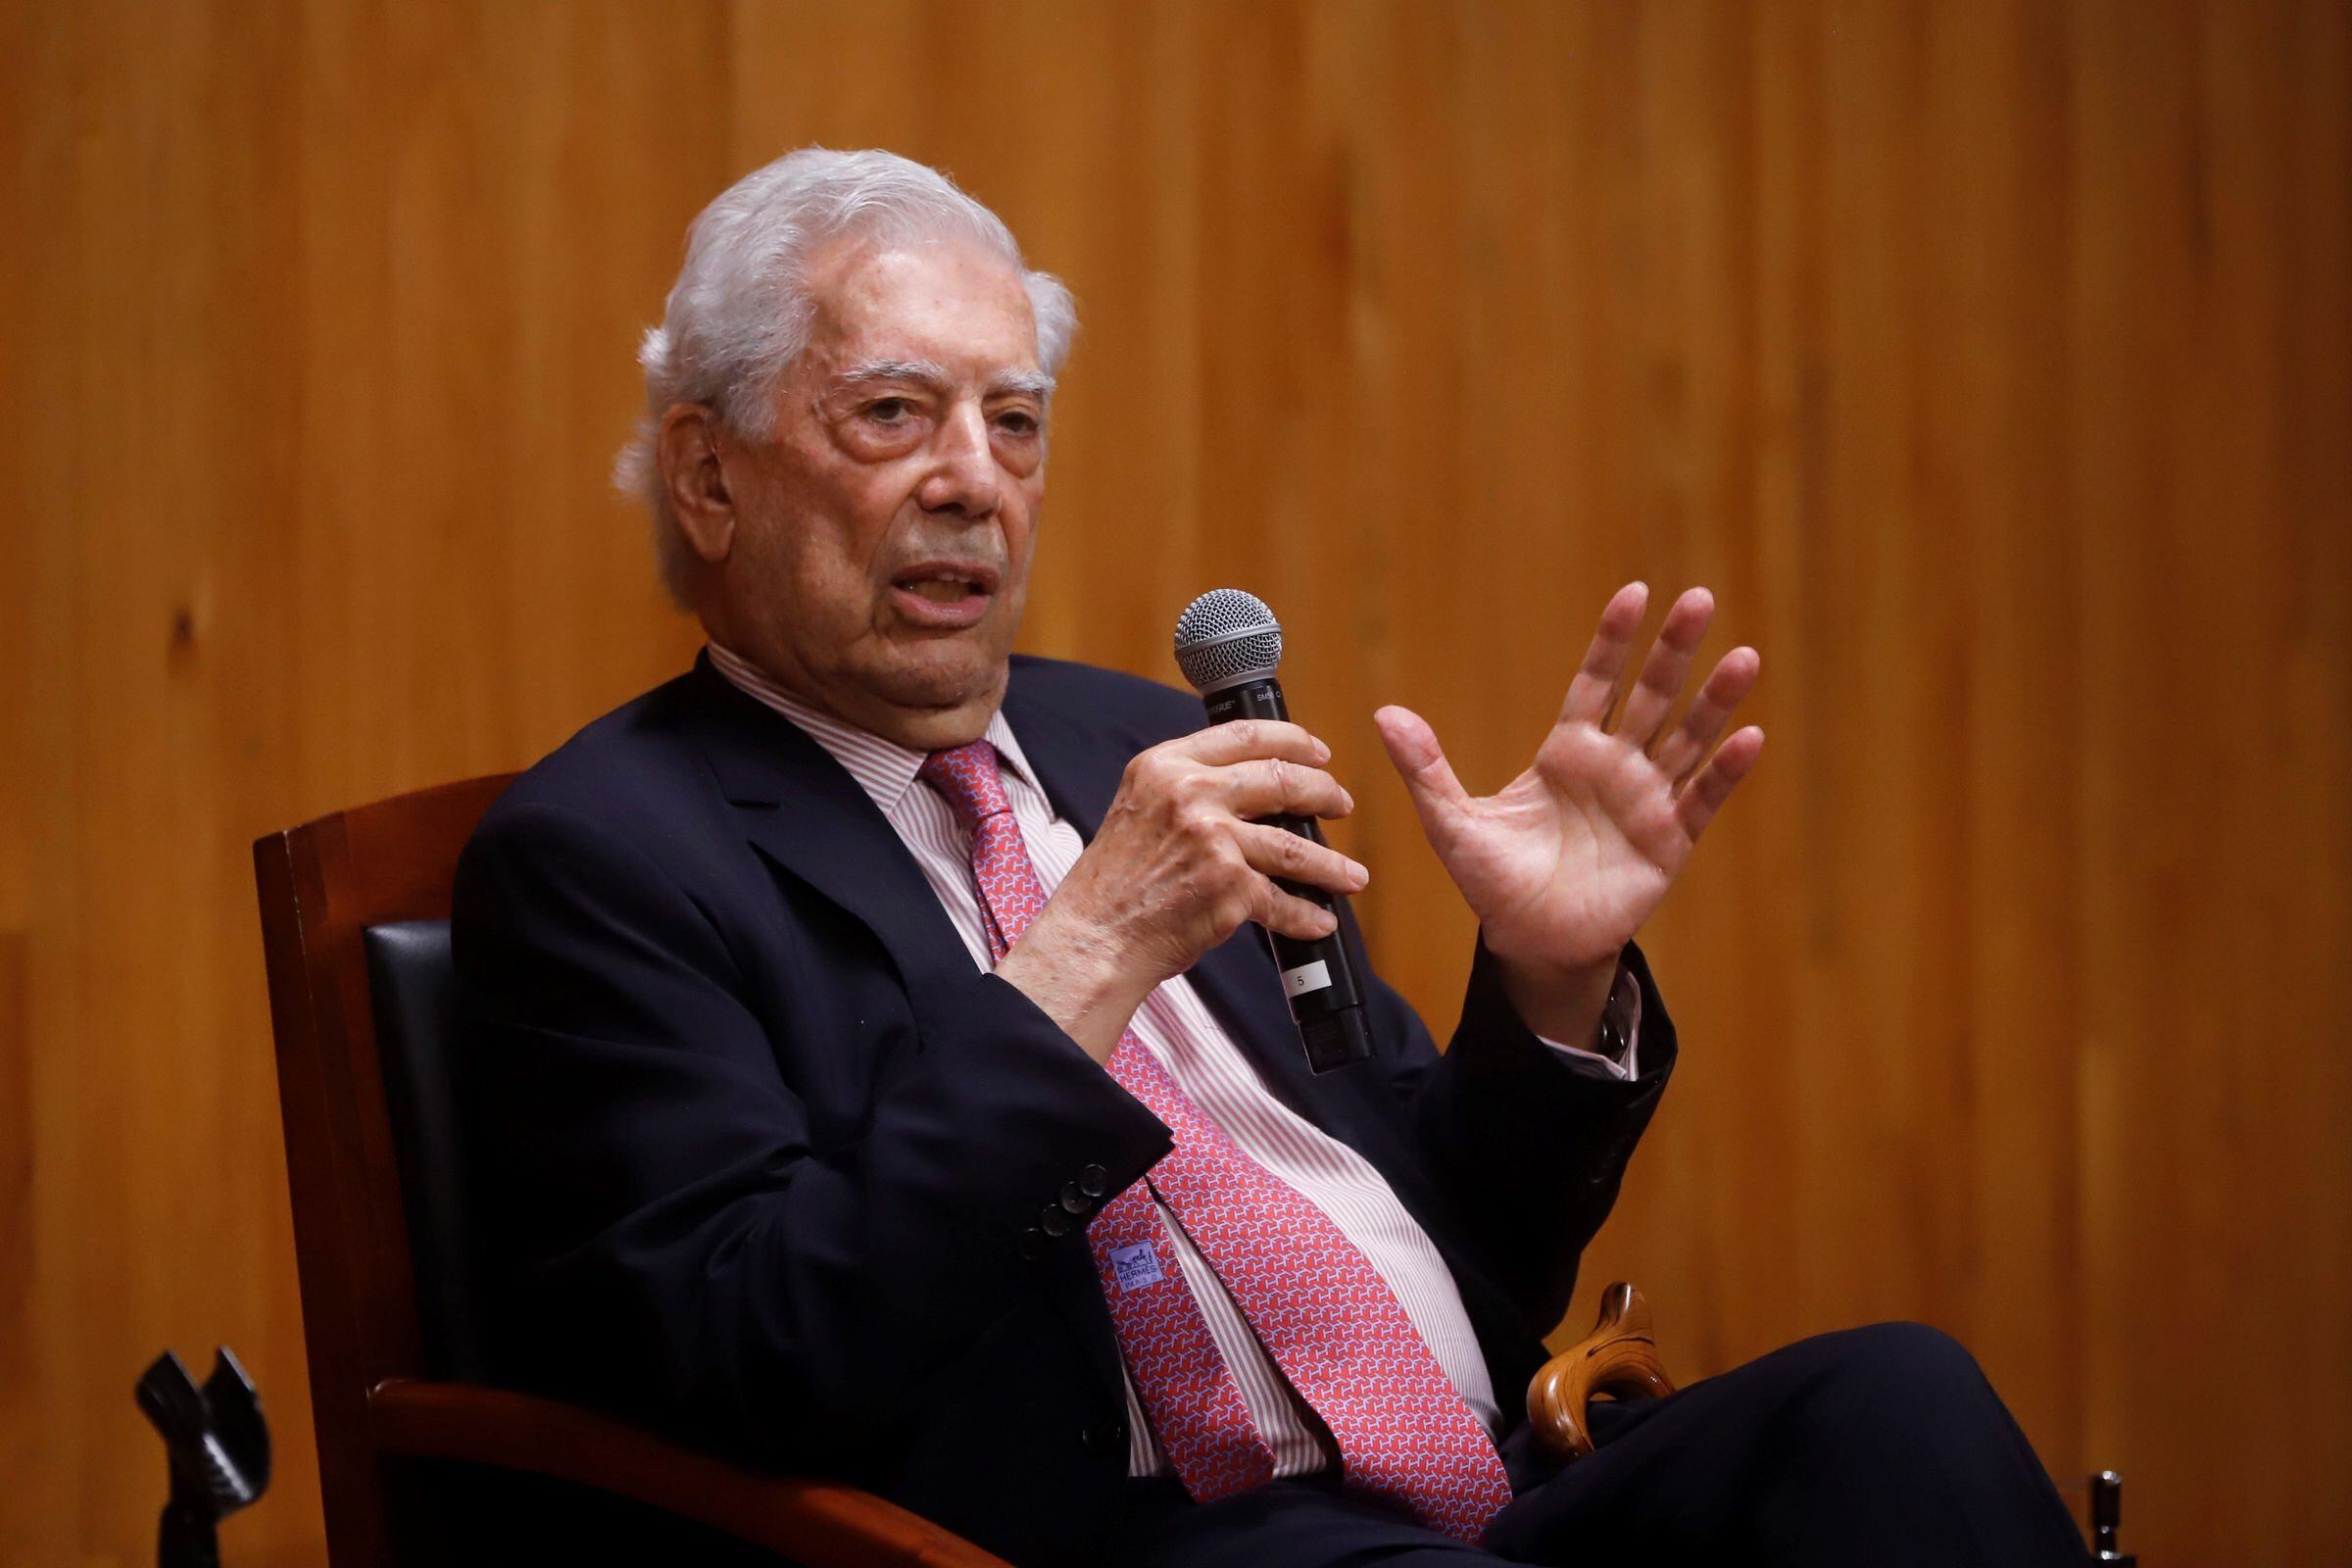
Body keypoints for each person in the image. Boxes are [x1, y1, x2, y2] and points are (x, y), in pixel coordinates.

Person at [452, 147, 2087, 1567]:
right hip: (1137, 1535)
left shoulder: (1138, 742)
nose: (974, 483)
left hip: (1483, 1482)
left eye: (1014, 423)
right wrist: (1084, 960)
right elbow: (756, 1350)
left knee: (1897, 1404)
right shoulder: (605, 861)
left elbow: (1472, 1250)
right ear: (710, 475)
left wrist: (1547, 981)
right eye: (892, 414)